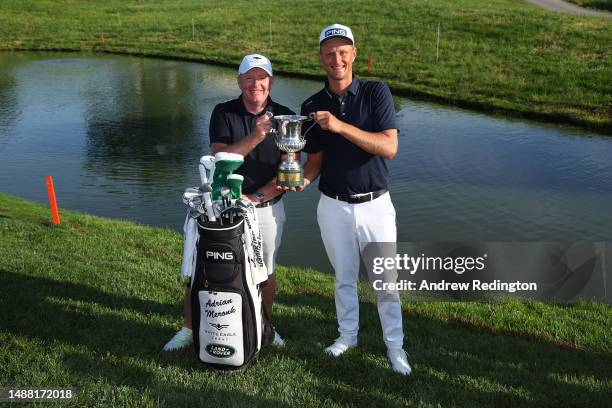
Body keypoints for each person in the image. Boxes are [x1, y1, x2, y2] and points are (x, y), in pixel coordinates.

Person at [297, 24, 411, 375]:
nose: (337, 58)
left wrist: (341, 126)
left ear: (354, 54)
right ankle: (347, 336)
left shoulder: (376, 93)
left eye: (343, 51)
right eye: (329, 52)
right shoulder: (311, 106)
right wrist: (298, 180)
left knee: (385, 282)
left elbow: (389, 147)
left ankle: (396, 348)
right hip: (332, 205)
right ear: (321, 58)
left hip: (375, 205)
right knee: (343, 277)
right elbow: (315, 162)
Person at [164, 54, 293, 351]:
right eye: (249, 78)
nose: (255, 84)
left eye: (262, 78)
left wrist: (255, 197)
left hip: (266, 207)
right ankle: (189, 327)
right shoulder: (224, 112)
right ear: (239, 82)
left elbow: (288, 171)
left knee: (266, 270)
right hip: (221, 206)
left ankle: (263, 326)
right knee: (204, 266)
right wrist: (257, 135)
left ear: (270, 82)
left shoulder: (285, 115)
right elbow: (220, 161)